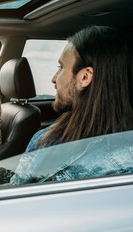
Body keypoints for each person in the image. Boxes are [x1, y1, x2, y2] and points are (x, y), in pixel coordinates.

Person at [11, 25, 133, 185]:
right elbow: (16, 186)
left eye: (61, 67)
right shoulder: (45, 136)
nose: (54, 78)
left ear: (85, 77)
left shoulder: (120, 167)